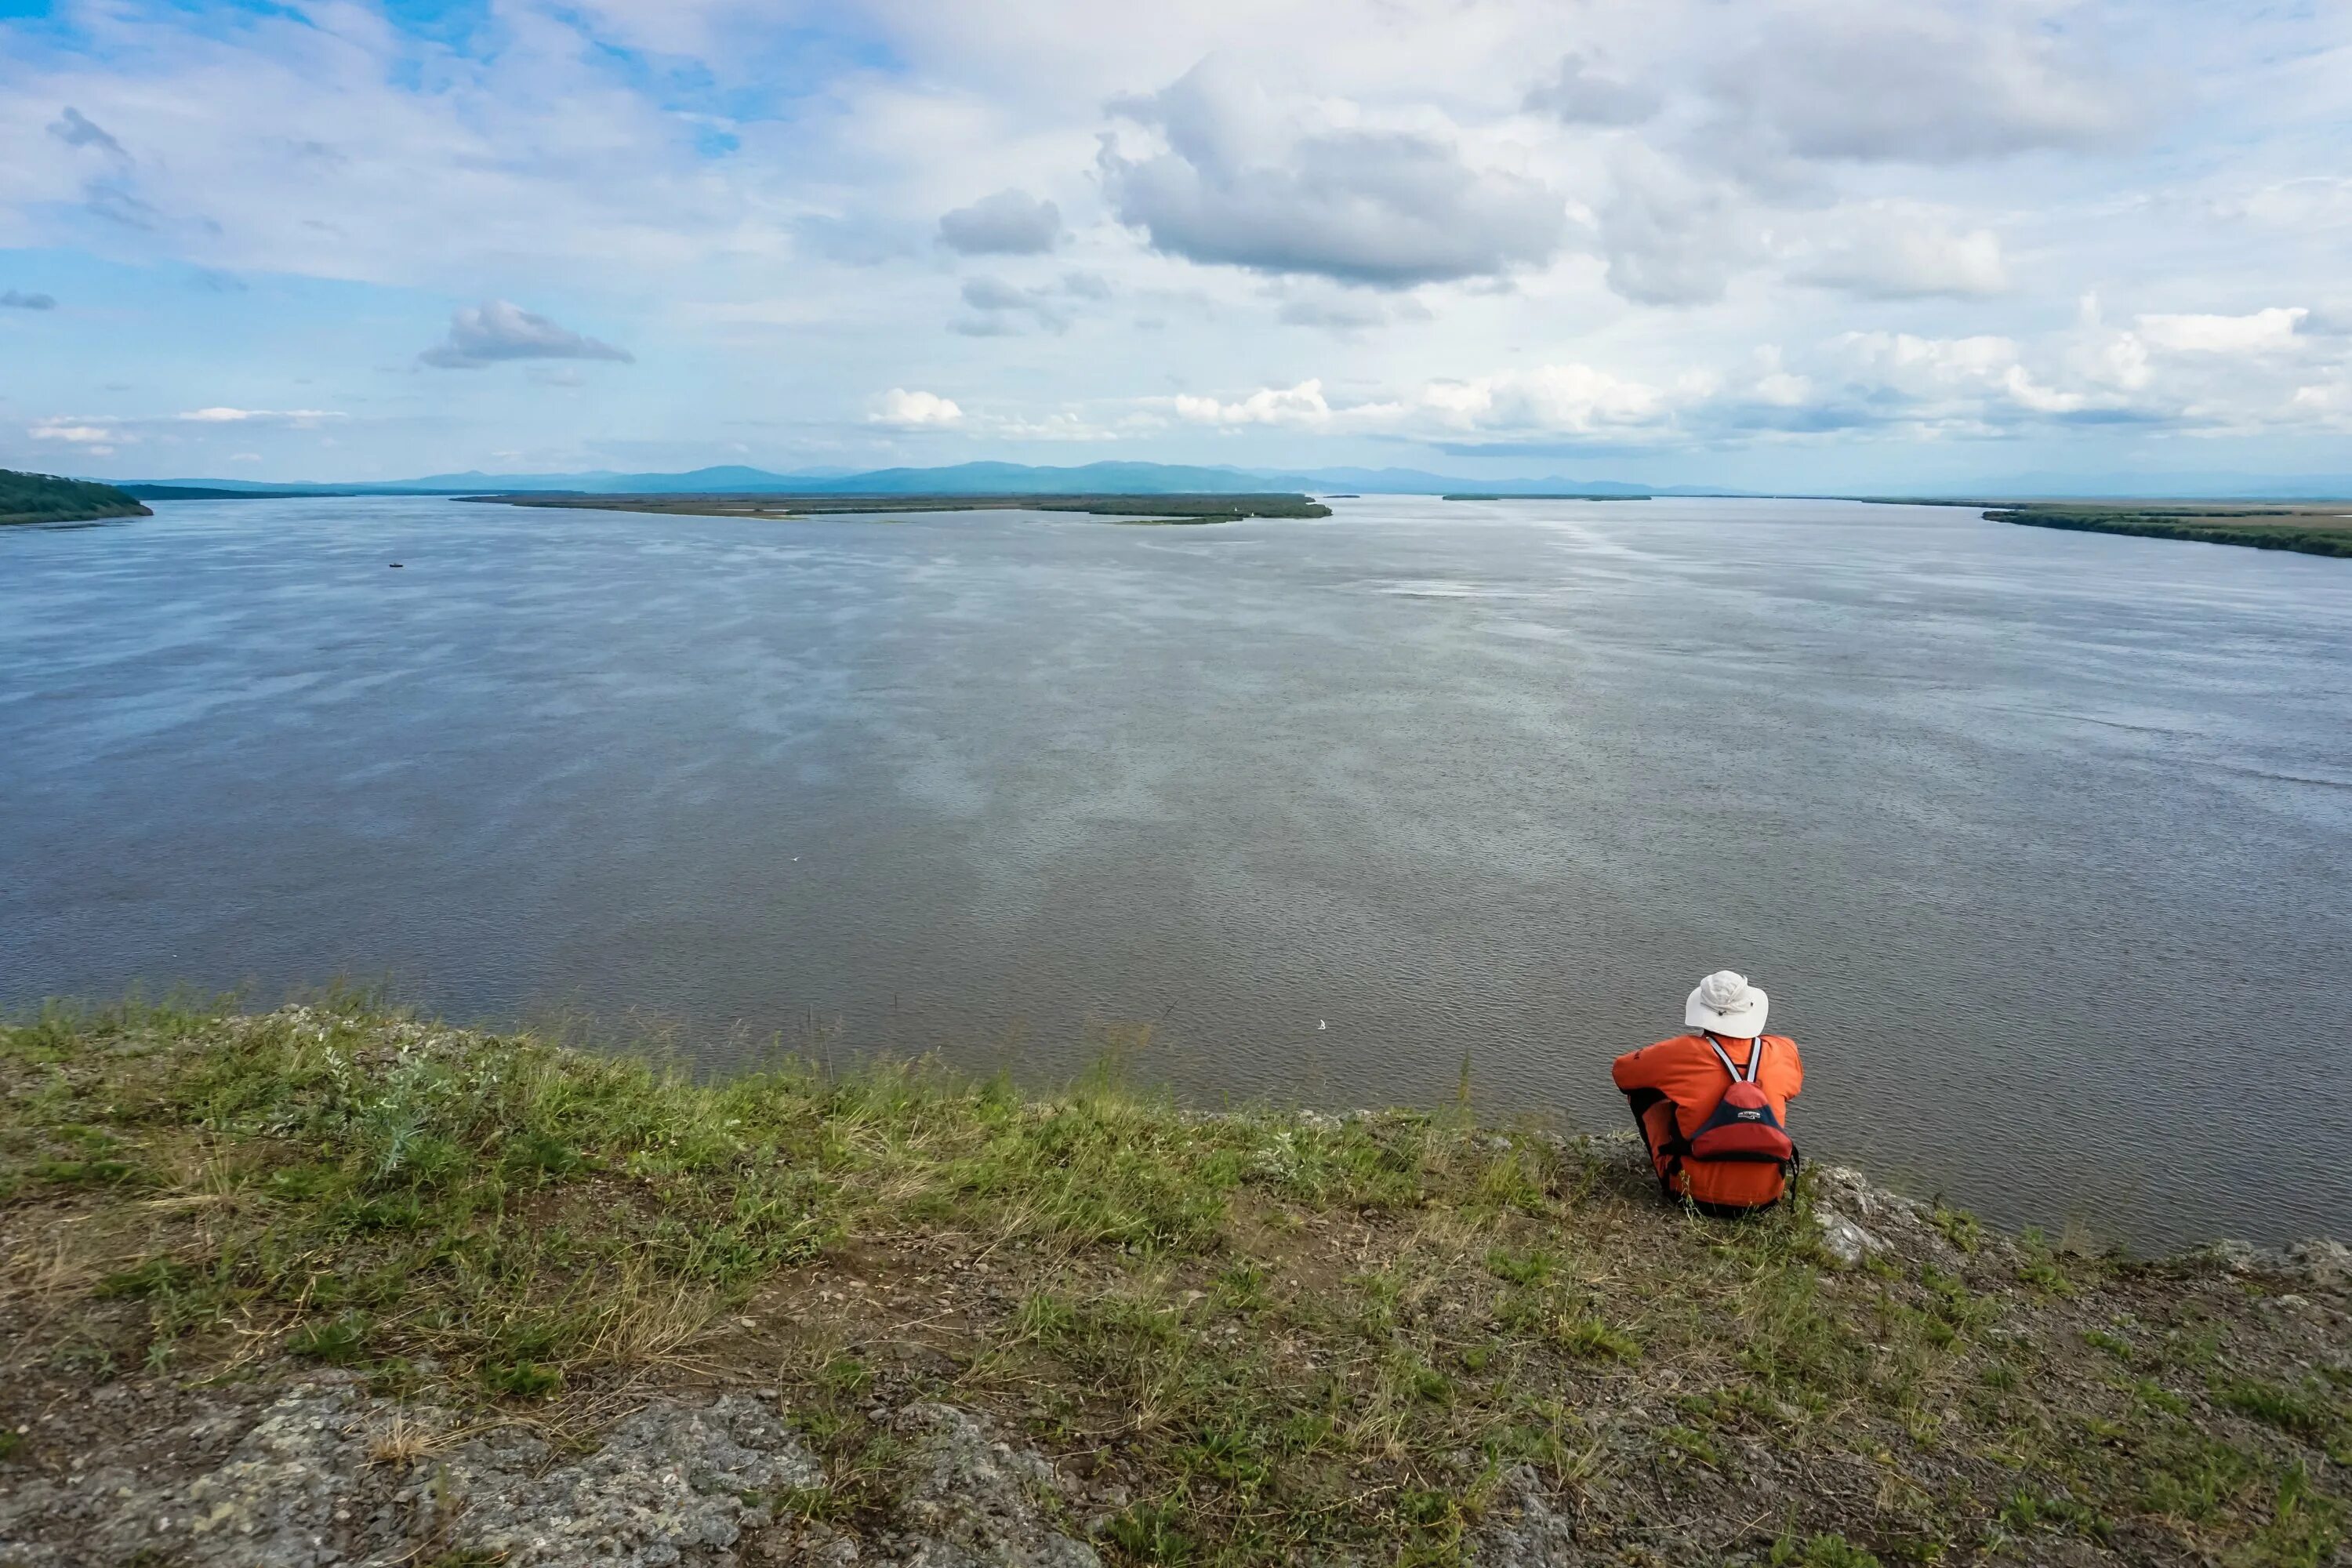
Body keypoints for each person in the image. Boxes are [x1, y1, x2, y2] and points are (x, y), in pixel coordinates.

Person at [1612, 970, 1803, 1214]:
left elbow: (1623, 1073)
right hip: (1765, 1197)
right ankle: (1753, 1177)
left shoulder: (1681, 1051)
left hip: (1690, 1192)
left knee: (1645, 1090)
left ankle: (1677, 1163)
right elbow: (1792, 1088)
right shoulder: (1783, 1050)